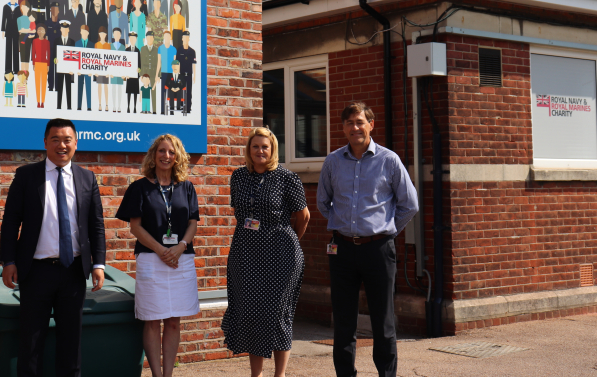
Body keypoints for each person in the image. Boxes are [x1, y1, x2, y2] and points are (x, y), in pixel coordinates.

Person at [317, 102, 419, 377]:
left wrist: (384, 230)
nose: (355, 127)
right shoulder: (333, 161)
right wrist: (343, 227)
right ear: (343, 128)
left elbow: (409, 204)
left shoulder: (389, 160)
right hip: (342, 251)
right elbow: (323, 202)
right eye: (349, 122)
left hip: (378, 250)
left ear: (371, 125)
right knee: (344, 321)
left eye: (360, 121)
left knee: (383, 321)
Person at [0, 119, 106, 377]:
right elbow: (11, 219)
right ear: (45, 142)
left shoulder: (86, 178)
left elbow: (96, 224)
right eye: (56, 139)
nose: (62, 145)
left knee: (71, 343)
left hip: (73, 272)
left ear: (76, 143)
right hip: (35, 271)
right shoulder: (27, 176)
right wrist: (8, 261)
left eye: (67, 139)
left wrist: (99, 264)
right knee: (31, 342)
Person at [221, 127, 309, 377]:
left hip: (281, 255)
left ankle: (279, 375)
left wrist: (290, 242)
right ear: (249, 150)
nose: (260, 151)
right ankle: (255, 375)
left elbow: (304, 216)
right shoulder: (238, 177)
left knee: (278, 313)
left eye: (265, 147)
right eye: (255, 146)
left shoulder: (286, 177)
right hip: (245, 253)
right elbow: (240, 213)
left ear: (272, 151)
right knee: (250, 313)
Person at [115, 134, 200, 377]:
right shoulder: (139, 188)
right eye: (162, 151)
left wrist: (181, 246)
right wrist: (161, 249)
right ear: (154, 155)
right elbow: (135, 227)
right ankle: (155, 374)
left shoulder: (187, 187)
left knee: (174, 321)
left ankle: (168, 374)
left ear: (178, 157)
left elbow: (193, 223)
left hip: (180, 259)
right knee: (152, 320)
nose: (166, 156)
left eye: (171, 152)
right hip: (152, 259)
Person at [55, 20, 76, 110]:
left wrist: (73, 70)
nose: (64, 30)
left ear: (69, 30)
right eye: (63, 29)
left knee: (68, 87)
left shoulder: (72, 42)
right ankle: (59, 106)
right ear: (60, 29)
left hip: (69, 69)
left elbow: (74, 57)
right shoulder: (56, 40)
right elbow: (54, 55)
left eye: (66, 29)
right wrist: (55, 60)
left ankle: (69, 106)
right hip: (60, 68)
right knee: (59, 87)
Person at [175, 31, 196, 114]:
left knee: (189, 91)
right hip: (181, 74)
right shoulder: (179, 50)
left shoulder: (192, 52)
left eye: (187, 37)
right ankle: (180, 106)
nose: (186, 39)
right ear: (182, 38)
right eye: (184, 37)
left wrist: (195, 75)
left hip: (189, 74)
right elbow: (177, 63)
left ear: (189, 39)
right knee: (180, 90)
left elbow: (194, 64)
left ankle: (188, 108)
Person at [157, 31, 176, 115]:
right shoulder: (160, 48)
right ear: (164, 37)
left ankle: (171, 109)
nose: (167, 38)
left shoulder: (174, 49)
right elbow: (159, 62)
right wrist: (157, 74)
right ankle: (162, 109)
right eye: (165, 36)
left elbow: (175, 63)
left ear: (170, 38)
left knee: (171, 92)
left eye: (168, 36)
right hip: (163, 72)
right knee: (163, 92)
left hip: (171, 73)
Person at [140, 32, 159, 116]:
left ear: (153, 39)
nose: (150, 39)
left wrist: (158, 75)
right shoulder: (143, 49)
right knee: (145, 91)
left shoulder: (157, 49)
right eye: (148, 38)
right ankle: (145, 109)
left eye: (151, 38)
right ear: (146, 39)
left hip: (154, 73)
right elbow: (141, 61)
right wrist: (141, 74)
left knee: (153, 91)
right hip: (146, 73)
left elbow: (159, 62)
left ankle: (154, 110)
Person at [2, 0, 21, 74]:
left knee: (16, 49)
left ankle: (16, 69)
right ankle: (8, 69)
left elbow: (20, 20)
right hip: (8, 30)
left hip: (16, 30)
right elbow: (3, 19)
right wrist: (3, 30)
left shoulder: (19, 8)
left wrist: (20, 29)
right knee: (8, 49)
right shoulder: (6, 7)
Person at [75, 25, 93, 111]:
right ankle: (79, 106)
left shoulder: (91, 44)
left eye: (86, 32)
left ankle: (89, 106)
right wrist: (76, 69)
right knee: (80, 87)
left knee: (88, 88)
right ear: (80, 32)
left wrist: (92, 71)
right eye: (83, 31)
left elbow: (94, 59)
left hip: (88, 70)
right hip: (79, 69)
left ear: (88, 33)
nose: (84, 33)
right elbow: (75, 57)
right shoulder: (77, 43)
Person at [46, 4, 63, 92]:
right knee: (50, 67)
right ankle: (50, 85)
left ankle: (57, 86)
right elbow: (45, 37)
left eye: (56, 10)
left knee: (57, 68)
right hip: (49, 49)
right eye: (53, 9)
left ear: (59, 11)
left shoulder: (61, 23)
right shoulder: (47, 23)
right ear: (50, 10)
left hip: (58, 50)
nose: (55, 11)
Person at [32, 25, 50, 108]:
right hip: (37, 64)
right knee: (37, 83)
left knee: (43, 84)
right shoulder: (35, 41)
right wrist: (34, 64)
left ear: (45, 32)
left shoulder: (47, 42)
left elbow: (48, 54)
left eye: (42, 30)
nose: (40, 32)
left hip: (44, 64)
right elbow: (33, 53)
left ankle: (43, 101)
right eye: (39, 30)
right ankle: (38, 101)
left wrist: (48, 65)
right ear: (37, 32)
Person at [94, 26, 111, 112]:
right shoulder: (96, 44)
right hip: (99, 68)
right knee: (99, 85)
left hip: (106, 68)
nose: (102, 35)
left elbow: (110, 58)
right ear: (99, 34)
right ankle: (100, 104)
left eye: (104, 34)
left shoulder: (108, 45)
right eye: (101, 34)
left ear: (106, 35)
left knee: (105, 86)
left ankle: (107, 104)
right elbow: (94, 58)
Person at [110, 28, 126, 113]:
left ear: (120, 35)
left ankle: (119, 106)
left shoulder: (123, 47)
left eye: (118, 34)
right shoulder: (110, 46)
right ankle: (114, 106)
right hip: (112, 71)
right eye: (115, 34)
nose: (116, 36)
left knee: (119, 89)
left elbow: (125, 60)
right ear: (113, 35)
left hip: (120, 71)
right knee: (113, 88)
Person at [17, 1, 36, 73]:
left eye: (27, 7)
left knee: (27, 55)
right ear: (21, 8)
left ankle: (26, 73)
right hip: (22, 37)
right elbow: (20, 30)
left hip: (29, 38)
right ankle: (22, 73)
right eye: (23, 7)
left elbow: (34, 30)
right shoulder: (19, 19)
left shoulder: (30, 18)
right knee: (22, 56)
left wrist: (30, 32)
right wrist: (28, 30)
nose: (25, 9)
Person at [125, 31, 141, 113]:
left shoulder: (138, 51)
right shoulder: (126, 50)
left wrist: (139, 71)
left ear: (136, 39)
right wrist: (125, 73)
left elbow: (140, 64)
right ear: (129, 39)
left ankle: (134, 107)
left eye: (134, 38)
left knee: (135, 92)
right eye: (131, 38)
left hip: (135, 75)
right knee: (129, 92)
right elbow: (124, 63)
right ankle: (128, 106)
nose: (132, 40)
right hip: (129, 75)